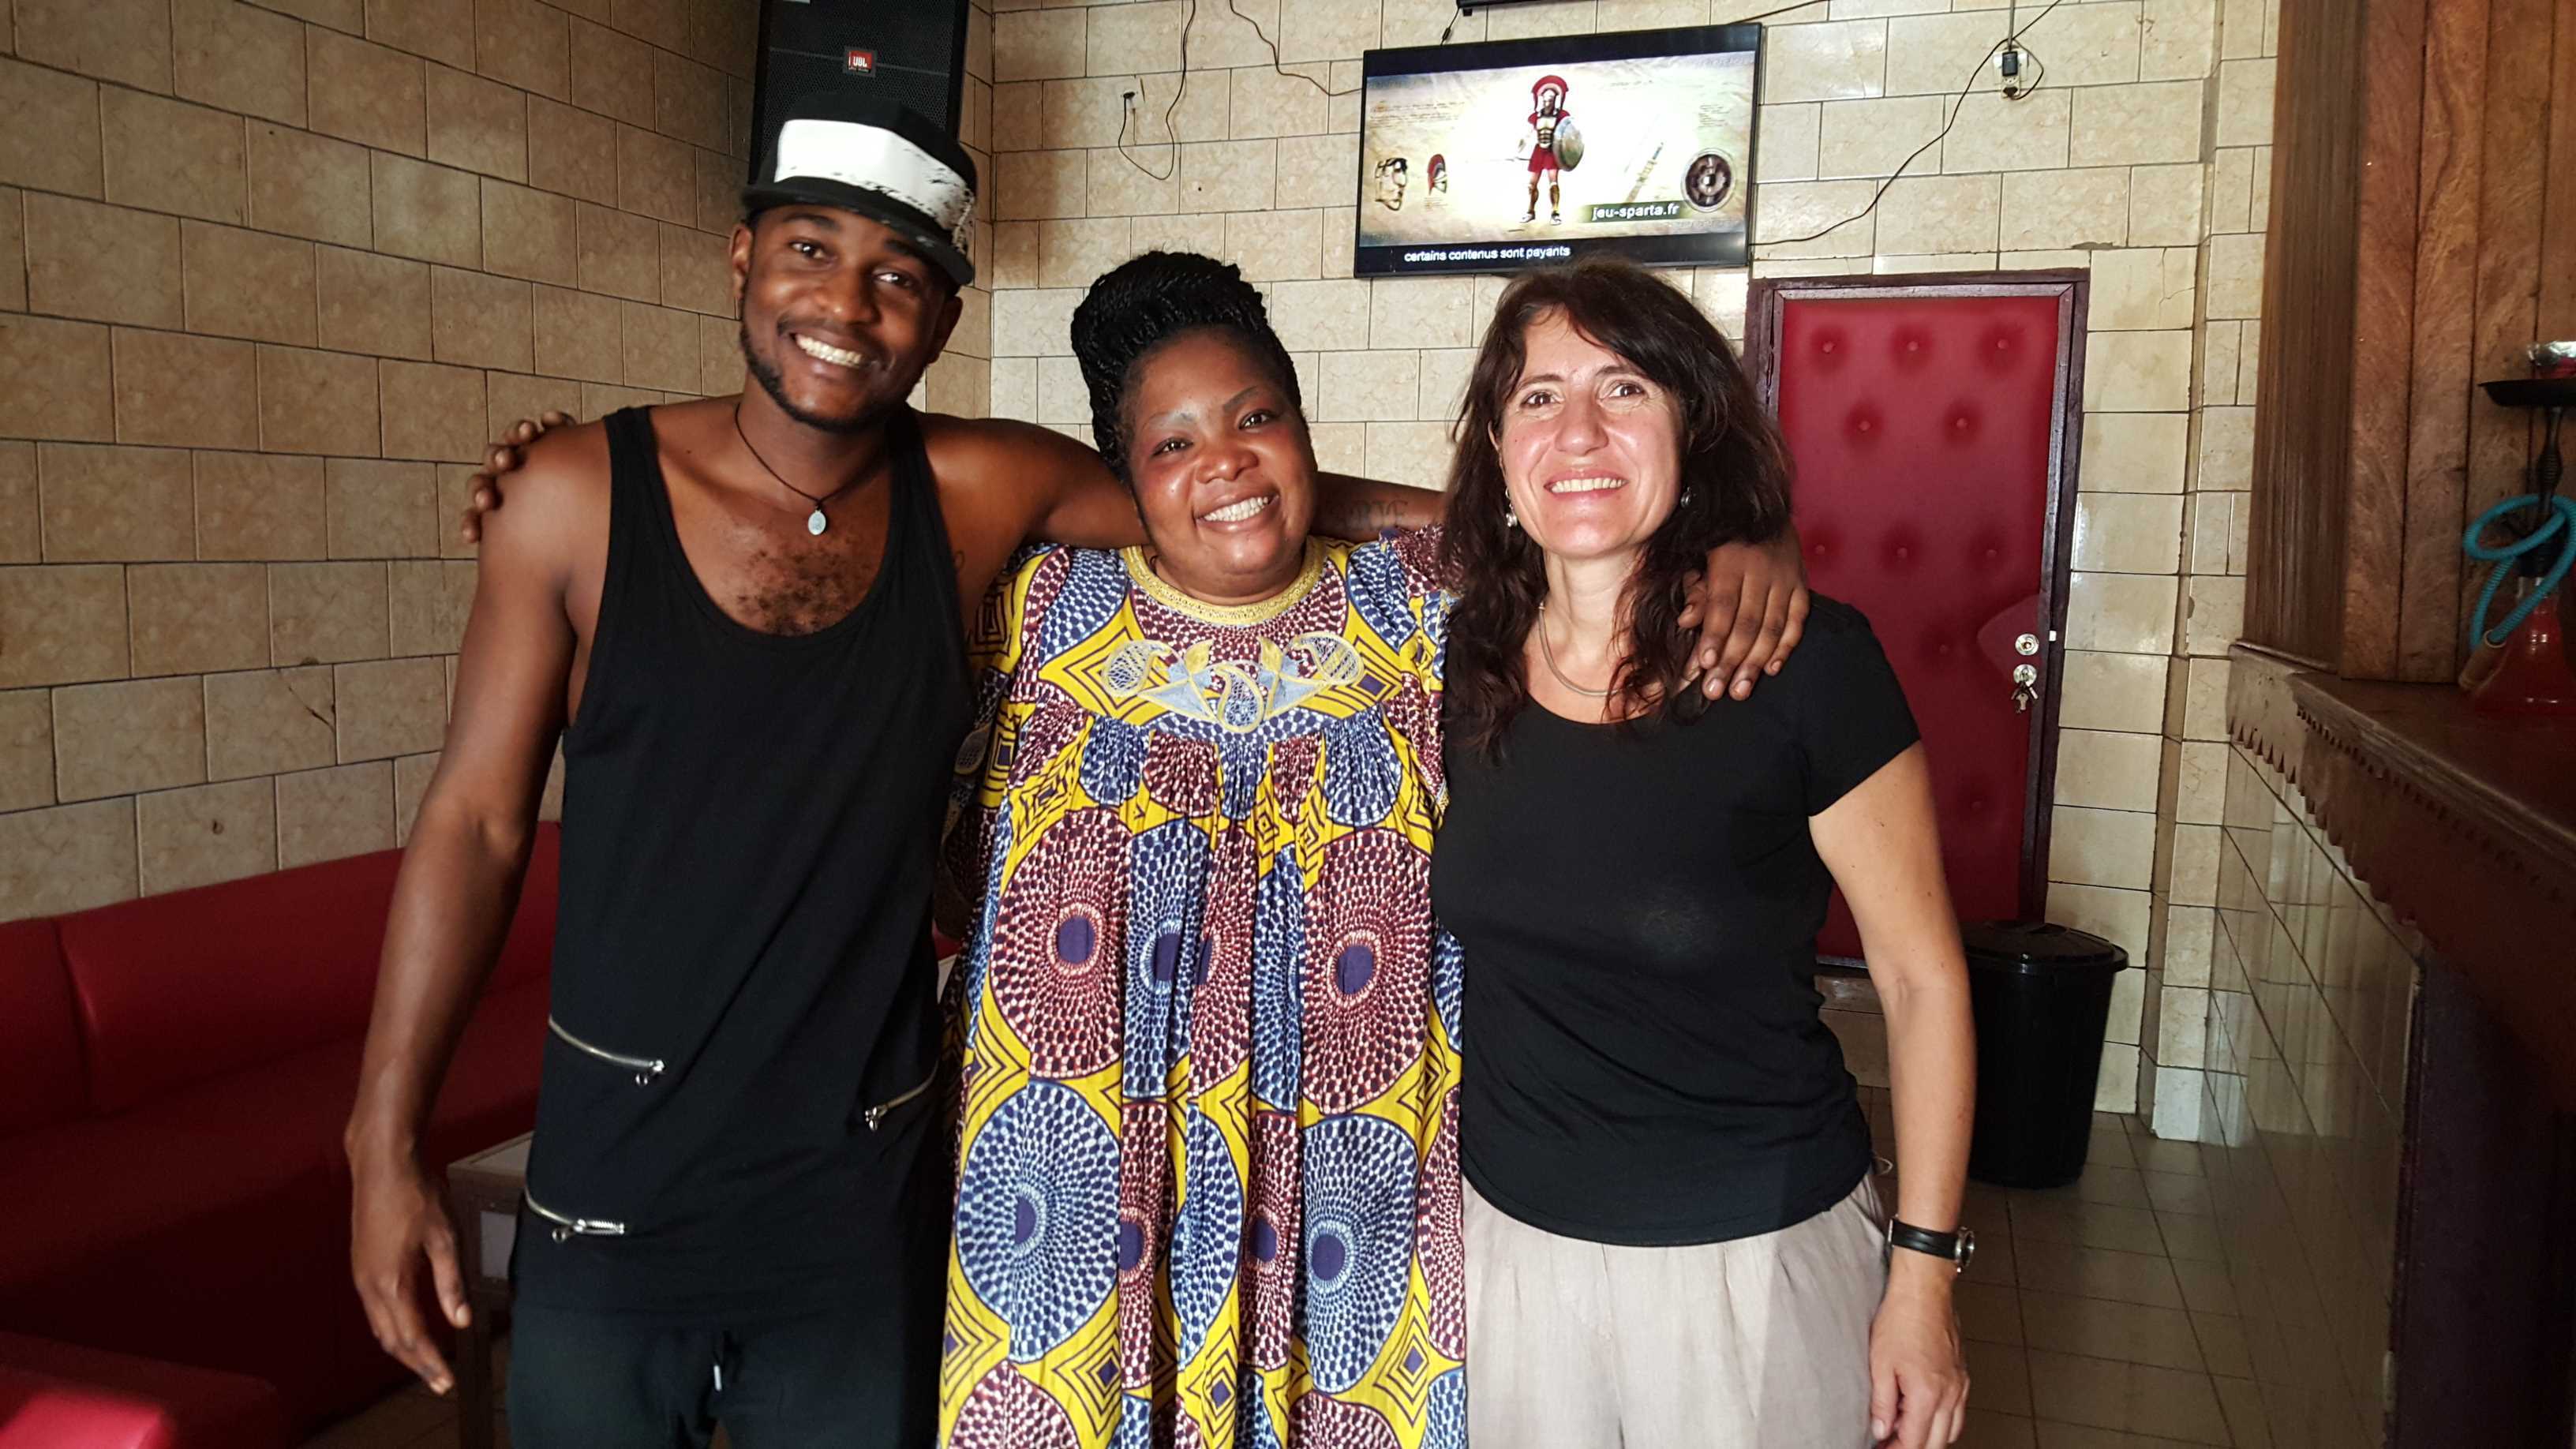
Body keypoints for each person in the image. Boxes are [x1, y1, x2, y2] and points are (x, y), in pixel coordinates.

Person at [357, 102, 1808, 1445]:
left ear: (943, 314)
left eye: (897, 277)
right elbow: (481, 823)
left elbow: (1283, 513)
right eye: (807, 252)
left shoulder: (1065, 517)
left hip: (1007, 1186)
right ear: (743, 257)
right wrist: (382, 1140)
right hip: (779, 1179)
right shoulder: (650, 510)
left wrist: (1723, 533)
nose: (845, 308)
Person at [1427, 259, 1977, 1449]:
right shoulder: (1450, 658)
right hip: (1512, 1251)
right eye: (1537, 397)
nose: (1578, 430)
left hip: (1753, 1256)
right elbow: (1257, 503)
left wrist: (1925, 1275)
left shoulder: (1804, 665)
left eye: (1624, 388)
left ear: (1692, 425)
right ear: (1498, 447)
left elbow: (1922, 980)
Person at [938, 253, 1462, 1446]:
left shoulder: (1417, 607)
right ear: (1119, 480)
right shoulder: (1036, 613)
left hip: (1347, 1159)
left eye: (1256, 419)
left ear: (1306, 430)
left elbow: (1596, 547)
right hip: (1082, 1158)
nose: (1223, 460)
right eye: (1172, 444)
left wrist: (1758, 545)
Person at [1522, 75, 1571, 225]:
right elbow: (1527, 135)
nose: (1547, 102)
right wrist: (1518, 151)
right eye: (1545, 99)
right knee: (1531, 185)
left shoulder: (1562, 116)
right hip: (1539, 151)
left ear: (1555, 99)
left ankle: (1555, 213)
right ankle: (1530, 212)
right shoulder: (1535, 117)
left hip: (1552, 151)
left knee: (1553, 183)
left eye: (1550, 99)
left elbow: (1569, 135)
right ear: (1541, 99)